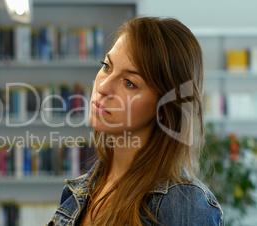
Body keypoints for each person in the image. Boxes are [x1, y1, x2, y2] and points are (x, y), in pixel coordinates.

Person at [47, 16, 223, 226]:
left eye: (129, 83)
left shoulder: (183, 205)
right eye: (106, 66)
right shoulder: (77, 192)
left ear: (164, 107)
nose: (103, 87)